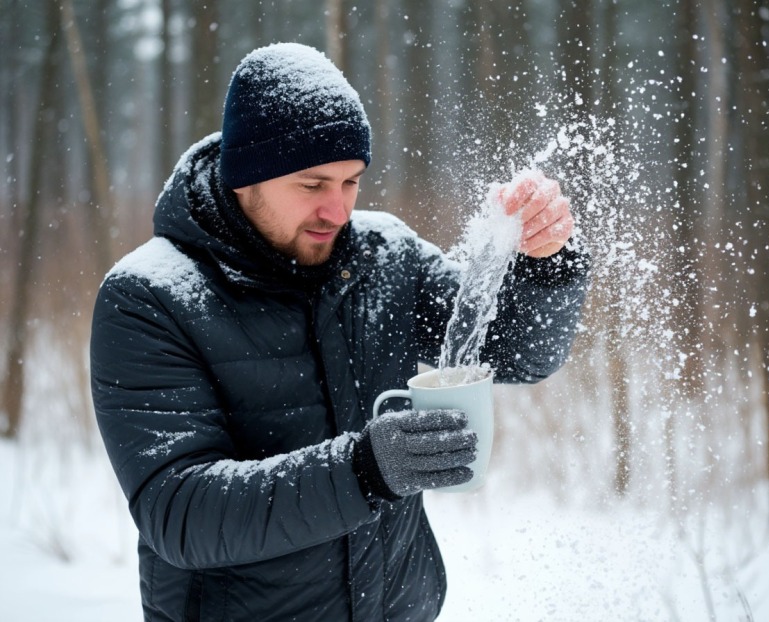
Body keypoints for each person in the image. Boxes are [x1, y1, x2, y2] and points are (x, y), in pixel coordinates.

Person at [90, 42, 589, 622]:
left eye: (351, 181)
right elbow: (181, 512)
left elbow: (514, 353)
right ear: (244, 178)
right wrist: (364, 470)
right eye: (312, 185)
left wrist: (545, 263)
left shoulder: (385, 256)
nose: (338, 210)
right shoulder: (150, 297)